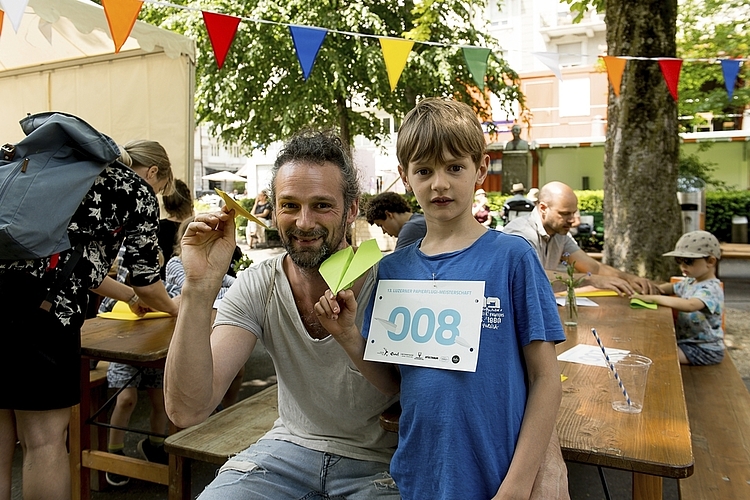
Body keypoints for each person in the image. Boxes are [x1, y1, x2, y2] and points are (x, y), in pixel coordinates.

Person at [315, 98, 568, 499]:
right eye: (424, 170)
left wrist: (519, 484)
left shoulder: (513, 258)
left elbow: (545, 378)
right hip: (421, 474)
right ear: (405, 175)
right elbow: (393, 382)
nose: (440, 184)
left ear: (480, 168)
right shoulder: (393, 270)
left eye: (454, 167)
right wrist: (347, 335)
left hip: (500, 473)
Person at [164, 130, 401, 499]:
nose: (304, 222)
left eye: (322, 205)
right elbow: (188, 410)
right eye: (289, 205)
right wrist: (198, 288)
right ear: (273, 210)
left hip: (381, 466)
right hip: (286, 453)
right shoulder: (261, 284)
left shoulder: (394, 282)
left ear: (352, 209)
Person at [0, 139, 178, 500]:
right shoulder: (133, 190)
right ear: (154, 173)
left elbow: (81, 267)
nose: (155, 194)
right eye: (160, 189)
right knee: (45, 442)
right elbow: (146, 280)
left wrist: (128, 295)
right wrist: (179, 309)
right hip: (44, 318)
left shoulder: (65, 174)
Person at [502, 181, 660, 296]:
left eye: (573, 212)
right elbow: (533, 276)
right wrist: (591, 280)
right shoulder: (521, 234)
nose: (572, 220)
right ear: (543, 208)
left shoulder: (559, 233)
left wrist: (629, 278)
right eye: (565, 214)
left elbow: (593, 268)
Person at [632, 230, 724, 366]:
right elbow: (670, 288)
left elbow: (690, 305)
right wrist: (646, 290)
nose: (682, 266)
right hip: (687, 342)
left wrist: (653, 298)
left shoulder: (710, 289)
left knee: (656, 357)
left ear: (710, 261)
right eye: (679, 260)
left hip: (705, 349)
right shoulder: (691, 281)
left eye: (688, 261)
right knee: (650, 348)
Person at [158, 178, 194, 280]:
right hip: (188, 285)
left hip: (161, 286)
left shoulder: (156, 228)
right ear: (188, 199)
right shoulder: (193, 228)